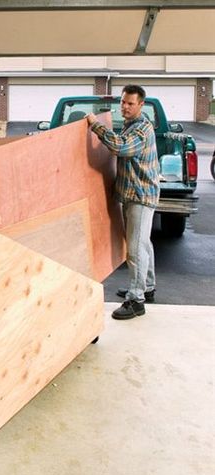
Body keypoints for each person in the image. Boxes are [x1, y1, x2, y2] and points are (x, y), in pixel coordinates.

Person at [86, 84, 160, 320]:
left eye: (130, 103)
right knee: (142, 242)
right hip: (132, 193)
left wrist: (95, 125)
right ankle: (146, 287)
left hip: (140, 196)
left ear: (140, 105)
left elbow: (120, 147)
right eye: (123, 102)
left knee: (136, 248)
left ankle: (136, 300)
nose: (125, 107)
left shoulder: (141, 129)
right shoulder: (131, 125)